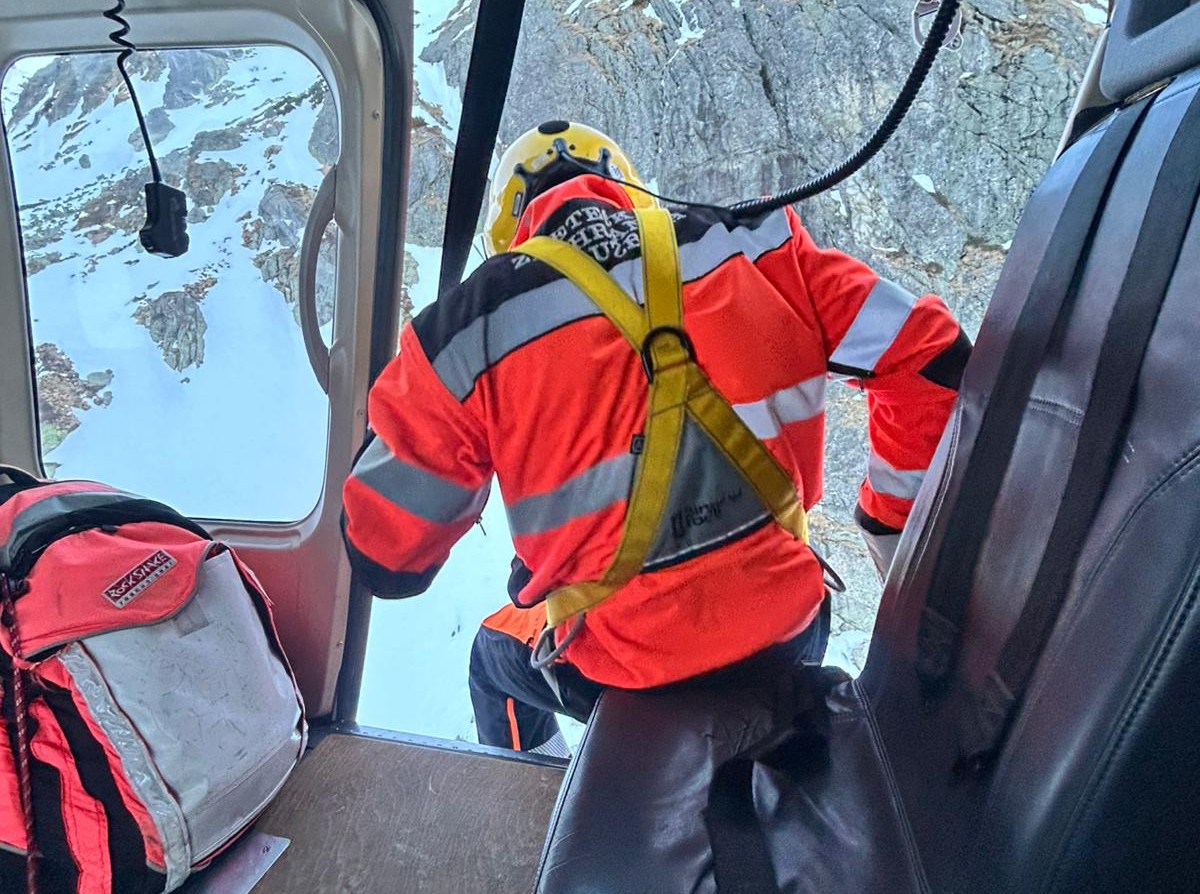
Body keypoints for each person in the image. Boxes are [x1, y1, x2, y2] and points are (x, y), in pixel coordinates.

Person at [341, 121, 970, 755]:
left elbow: (388, 565)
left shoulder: (462, 330)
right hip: (789, 634)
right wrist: (886, 519)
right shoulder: (755, 246)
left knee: (491, 663)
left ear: (509, 235)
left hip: (627, 676)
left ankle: (560, 811)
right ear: (628, 189)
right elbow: (933, 359)